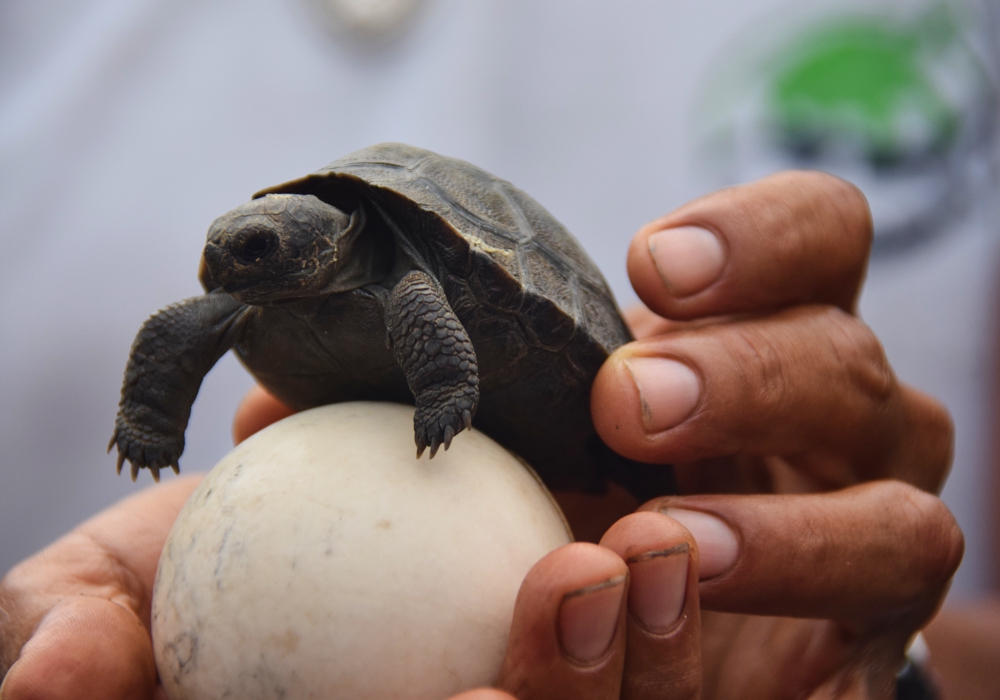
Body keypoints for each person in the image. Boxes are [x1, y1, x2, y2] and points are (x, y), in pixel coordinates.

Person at [0, 172, 962, 698]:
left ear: (331, 236)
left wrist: (897, 666)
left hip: (556, 425)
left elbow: (414, 291)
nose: (230, 270)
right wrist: (148, 419)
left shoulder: (408, 272)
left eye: (254, 252)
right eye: (225, 255)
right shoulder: (248, 297)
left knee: (427, 316)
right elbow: (183, 331)